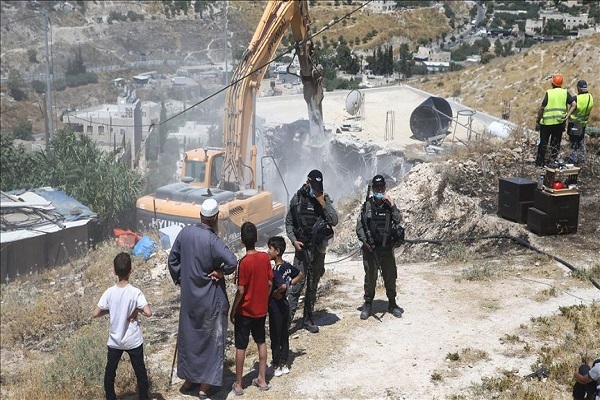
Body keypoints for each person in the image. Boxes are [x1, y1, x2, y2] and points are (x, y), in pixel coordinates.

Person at [168, 198, 237, 399]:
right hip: (211, 298)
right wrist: (221, 272)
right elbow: (232, 261)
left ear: (201, 216)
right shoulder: (213, 241)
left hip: (190, 298)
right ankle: (204, 386)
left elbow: (173, 259)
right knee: (212, 339)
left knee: (190, 336)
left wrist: (183, 279)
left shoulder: (185, 233)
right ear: (215, 218)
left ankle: (189, 380)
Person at [93, 252, 152, 400]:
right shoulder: (135, 292)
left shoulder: (109, 292)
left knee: (110, 373)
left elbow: (95, 313)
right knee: (140, 372)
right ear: (131, 270)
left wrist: (110, 311)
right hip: (133, 340)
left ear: (114, 271)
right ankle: (143, 397)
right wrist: (136, 310)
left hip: (115, 341)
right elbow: (148, 312)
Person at [285, 169, 338, 333]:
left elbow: (334, 220)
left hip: (318, 250)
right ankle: (287, 322)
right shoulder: (298, 199)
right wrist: (294, 241)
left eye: (317, 186)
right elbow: (288, 223)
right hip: (302, 250)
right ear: (307, 183)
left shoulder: (323, 198)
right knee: (296, 286)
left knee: (312, 285)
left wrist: (322, 202)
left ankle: (308, 318)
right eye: (313, 185)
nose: (315, 188)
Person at [230, 222, 273, 395]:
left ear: (241, 240)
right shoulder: (264, 258)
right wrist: (265, 298)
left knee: (241, 346)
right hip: (260, 310)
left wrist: (233, 310)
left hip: (245, 311)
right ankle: (262, 379)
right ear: (256, 238)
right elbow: (270, 282)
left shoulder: (243, 262)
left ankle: (239, 384)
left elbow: (240, 289)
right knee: (261, 341)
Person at [356, 175, 405, 320]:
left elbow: (398, 219)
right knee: (370, 278)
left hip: (387, 249)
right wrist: (366, 242)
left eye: (381, 187)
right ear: (373, 189)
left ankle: (392, 303)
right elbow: (360, 227)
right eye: (376, 188)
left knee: (390, 277)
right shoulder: (367, 205)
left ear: (385, 188)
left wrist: (392, 205)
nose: (379, 190)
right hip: (371, 249)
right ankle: (368, 304)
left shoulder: (389, 205)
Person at [267, 236, 304, 377]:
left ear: (277, 251)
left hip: (276, 307)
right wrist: (289, 285)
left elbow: (281, 285)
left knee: (275, 336)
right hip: (285, 305)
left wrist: (277, 291)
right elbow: (300, 274)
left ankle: (276, 364)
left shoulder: (275, 270)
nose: (268, 251)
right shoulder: (287, 266)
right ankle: (284, 362)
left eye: (270, 248)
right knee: (284, 334)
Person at [535, 73, 577, 167]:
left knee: (543, 143)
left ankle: (539, 163)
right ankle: (552, 162)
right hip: (559, 123)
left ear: (552, 83)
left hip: (546, 124)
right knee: (555, 144)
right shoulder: (565, 92)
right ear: (561, 83)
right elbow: (574, 104)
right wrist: (567, 115)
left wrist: (538, 119)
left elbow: (542, 108)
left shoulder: (549, 93)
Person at [567, 80, 594, 166]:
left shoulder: (576, 99)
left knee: (574, 143)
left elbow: (572, 109)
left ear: (578, 88)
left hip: (575, 123)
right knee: (581, 142)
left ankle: (573, 161)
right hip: (583, 124)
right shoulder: (590, 97)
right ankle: (582, 160)